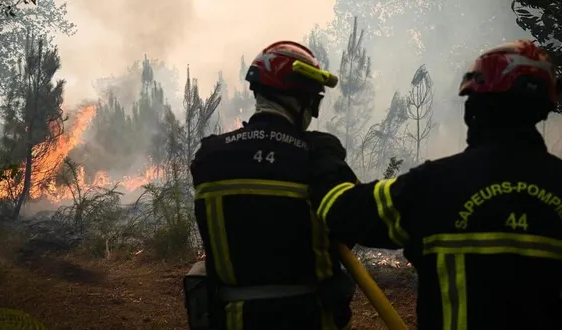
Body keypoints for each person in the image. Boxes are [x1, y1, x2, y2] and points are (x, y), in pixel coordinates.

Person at [305, 39, 562, 330]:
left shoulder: (436, 185)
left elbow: (344, 212)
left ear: (475, 107)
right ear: (544, 108)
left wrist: (323, 156)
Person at [185, 41, 358, 330]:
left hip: (233, 320)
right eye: (314, 99)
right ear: (297, 97)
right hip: (307, 319)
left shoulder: (209, 156)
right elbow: (350, 222)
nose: (313, 111)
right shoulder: (315, 155)